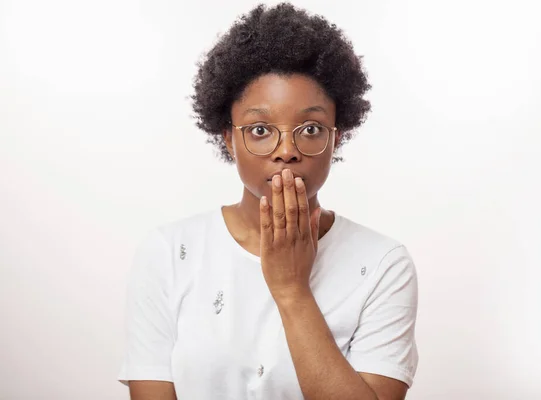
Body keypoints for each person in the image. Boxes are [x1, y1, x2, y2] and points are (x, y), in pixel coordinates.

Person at [118, 3, 419, 399]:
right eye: (260, 129)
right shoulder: (169, 253)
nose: (286, 151)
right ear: (228, 138)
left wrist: (292, 290)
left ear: (336, 138)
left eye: (310, 128)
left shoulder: (383, 265)